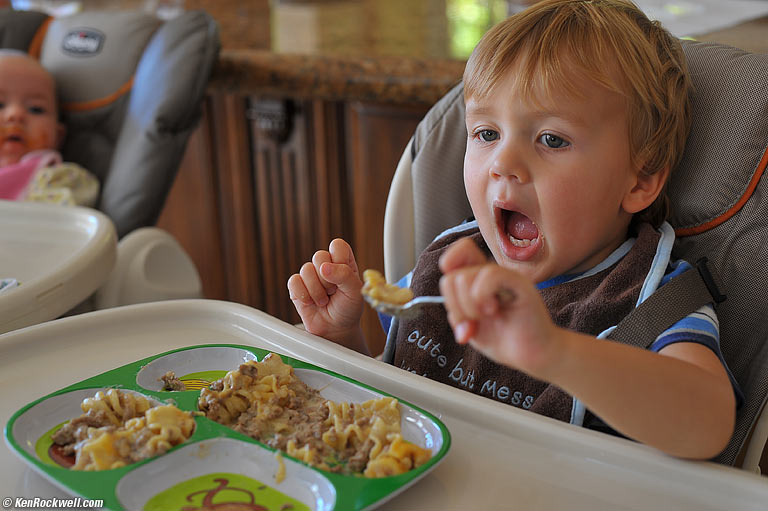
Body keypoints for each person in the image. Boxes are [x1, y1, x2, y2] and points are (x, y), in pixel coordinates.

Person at [287, 0, 740, 460]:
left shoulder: (653, 299)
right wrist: (341, 341)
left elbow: (708, 425)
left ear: (640, 180)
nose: (504, 163)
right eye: (486, 134)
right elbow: (393, 394)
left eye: (552, 139)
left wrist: (555, 352)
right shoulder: (452, 265)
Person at [0, 50, 98, 206]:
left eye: (35, 109)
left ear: (58, 136)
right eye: (0, 105)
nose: (15, 114)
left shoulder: (55, 178)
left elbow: (59, 223)